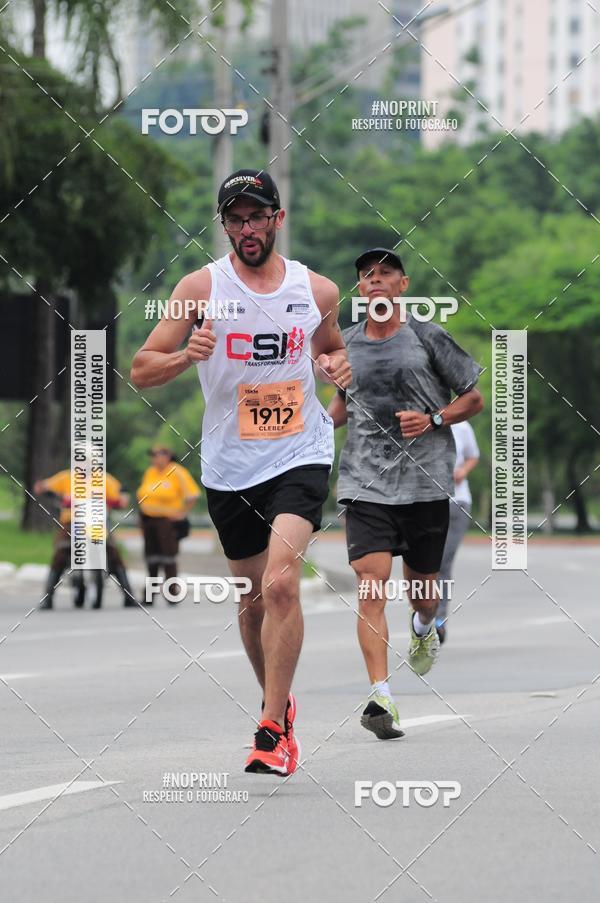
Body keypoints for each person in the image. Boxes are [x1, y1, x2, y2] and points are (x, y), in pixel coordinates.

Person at [131, 169, 351, 776]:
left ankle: (272, 729)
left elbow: (330, 346)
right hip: (230, 466)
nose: (247, 228)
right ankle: (275, 703)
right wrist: (184, 355)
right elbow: (141, 368)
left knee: (282, 584)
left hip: (300, 452)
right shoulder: (200, 287)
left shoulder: (318, 289)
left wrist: (336, 368)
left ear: (278, 219)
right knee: (252, 602)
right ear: (223, 225)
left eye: (257, 216)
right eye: (235, 218)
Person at [327, 248, 483, 740]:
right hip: (364, 482)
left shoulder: (427, 336)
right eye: (366, 276)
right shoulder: (345, 344)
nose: (375, 281)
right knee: (370, 589)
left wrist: (435, 417)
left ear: (403, 285)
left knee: (423, 594)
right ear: (359, 289)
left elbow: (473, 398)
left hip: (425, 484)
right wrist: (294, 416)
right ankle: (380, 696)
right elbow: (339, 411)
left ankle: (423, 628)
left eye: (385, 274)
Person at [33, 469, 135, 610]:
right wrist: (44, 488)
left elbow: (121, 497)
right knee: (61, 552)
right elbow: (43, 486)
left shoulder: (105, 479)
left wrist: (121, 499)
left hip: (96, 523)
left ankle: (129, 596)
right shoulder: (66, 477)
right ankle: (48, 598)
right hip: (72, 522)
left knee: (112, 552)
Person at [136, 446, 200, 605]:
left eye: (158, 455)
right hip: (148, 520)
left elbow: (193, 495)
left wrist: (182, 513)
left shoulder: (176, 471)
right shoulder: (150, 472)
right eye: (153, 455)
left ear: (168, 456)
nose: (155, 458)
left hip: (167, 522)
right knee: (151, 558)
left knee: (168, 557)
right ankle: (149, 596)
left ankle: (172, 593)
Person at [435, 421, 480, 644]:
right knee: (423, 562)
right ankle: (422, 614)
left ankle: (438, 620)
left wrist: (463, 470)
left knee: (443, 561)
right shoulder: (419, 420)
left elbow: (473, 455)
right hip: (427, 501)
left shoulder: (462, 426)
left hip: (457, 502)